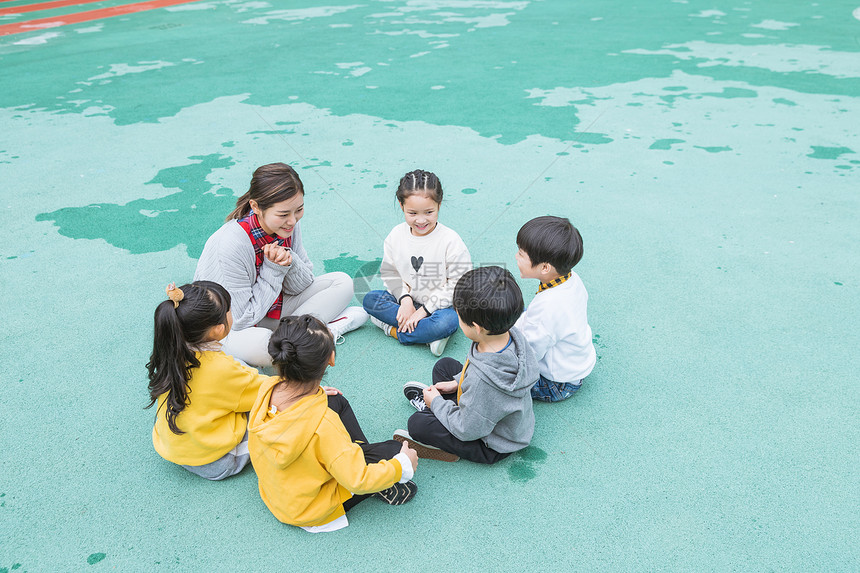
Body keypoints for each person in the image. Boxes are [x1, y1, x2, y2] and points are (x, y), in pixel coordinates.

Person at [248, 315, 419, 533]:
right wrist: (401, 465)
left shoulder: (266, 388)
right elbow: (358, 481)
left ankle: (356, 456)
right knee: (395, 450)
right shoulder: (325, 425)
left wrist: (317, 395)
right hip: (313, 509)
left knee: (335, 400)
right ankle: (371, 471)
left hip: (280, 493)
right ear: (331, 358)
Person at [194, 162, 367, 367]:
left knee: (342, 282)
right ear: (256, 207)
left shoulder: (289, 225)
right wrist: (274, 270)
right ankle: (319, 333)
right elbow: (241, 320)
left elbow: (303, 285)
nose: (292, 221)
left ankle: (310, 336)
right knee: (266, 349)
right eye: (283, 214)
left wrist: (289, 261)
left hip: (269, 310)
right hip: (227, 326)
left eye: (299, 210)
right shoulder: (231, 244)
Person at [393, 266, 538, 464]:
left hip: (493, 443)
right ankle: (443, 406)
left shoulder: (482, 383)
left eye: (460, 317)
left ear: (477, 328)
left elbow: (467, 429)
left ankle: (437, 423)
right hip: (495, 413)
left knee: (418, 425)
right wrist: (458, 381)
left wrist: (436, 403)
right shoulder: (511, 334)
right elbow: (479, 376)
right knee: (444, 367)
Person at [146, 281, 275, 480]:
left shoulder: (170, 352)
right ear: (218, 329)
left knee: (238, 370)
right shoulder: (222, 369)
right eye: (229, 310)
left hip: (173, 448)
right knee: (273, 411)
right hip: (217, 460)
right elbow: (270, 392)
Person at [363, 169, 471, 357]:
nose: (421, 220)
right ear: (401, 205)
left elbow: (458, 284)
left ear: (439, 205)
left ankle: (395, 331)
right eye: (412, 213)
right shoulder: (395, 236)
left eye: (429, 212)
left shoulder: (451, 241)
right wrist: (405, 301)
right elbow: (390, 272)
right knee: (370, 300)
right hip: (407, 301)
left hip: (440, 307)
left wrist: (424, 311)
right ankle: (428, 336)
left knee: (449, 322)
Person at [514, 216, 596, 402]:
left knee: (499, 376)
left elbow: (530, 354)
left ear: (544, 267)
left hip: (556, 384)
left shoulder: (548, 307)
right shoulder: (572, 278)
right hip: (575, 365)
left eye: (521, 253)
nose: (516, 257)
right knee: (515, 313)